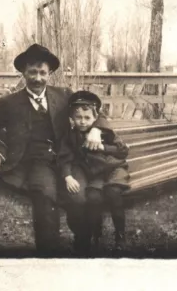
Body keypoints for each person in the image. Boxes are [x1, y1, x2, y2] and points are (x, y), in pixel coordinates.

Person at [0, 44, 112, 256]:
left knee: (80, 198)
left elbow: (96, 114)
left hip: (68, 161)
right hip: (36, 163)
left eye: (42, 73)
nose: (37, 78)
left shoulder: (63, 95)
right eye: (32, 72)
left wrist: (96, 130)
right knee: (45, 197)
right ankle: (48, 256)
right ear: (24, 73)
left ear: (50, 74)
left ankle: (83, 246)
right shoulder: (9, 102)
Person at [60, 90, 131, 253]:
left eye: (87, 118)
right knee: (93, 197)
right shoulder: (71, 137)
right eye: (78, 118)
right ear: (72, 118)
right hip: (96, 174)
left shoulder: (105, 133)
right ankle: (95, 234)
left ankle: (120, 236)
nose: (83, 122)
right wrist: (68, 176)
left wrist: (103, 147)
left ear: (95, 118)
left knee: (113, 193)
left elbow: (123, 151)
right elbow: (64, 157)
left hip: (115, 169)